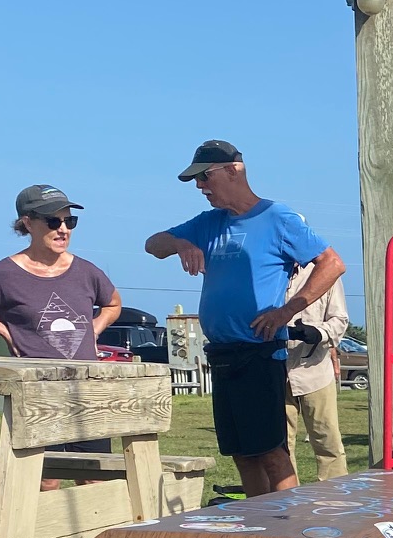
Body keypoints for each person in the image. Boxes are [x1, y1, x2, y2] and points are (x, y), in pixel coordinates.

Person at [144, 141, 344, 497]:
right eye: (196, 180)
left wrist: (287, 311)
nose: (200, 187)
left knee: (271, 451)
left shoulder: (278, 217)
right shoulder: (209, 223)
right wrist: (181, 244)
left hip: (259, 352)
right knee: (241, 452)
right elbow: (152, 244)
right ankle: (259, 523)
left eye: (205, 177)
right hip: (222, 354)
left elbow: (332, 263)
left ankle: (287, 524)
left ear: (233, 170)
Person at [0, 185, 123, 489]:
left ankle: (94, 537)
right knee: (43, 480)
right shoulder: (5, 274)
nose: (63, 230)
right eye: (53, 222)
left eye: (70, 222)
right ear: (27, 223)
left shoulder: (86, 271)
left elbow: (113, 303)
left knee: (95, 477)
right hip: (36, 393)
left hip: (88, 390)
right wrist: (2, 329)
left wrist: (94, 328)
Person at [282, 261, 351, 483]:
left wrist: (318, 332)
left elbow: (340, 320)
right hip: (275, 370)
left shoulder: (326, 272)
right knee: (279, 445)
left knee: (327, 439)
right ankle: (284, 504)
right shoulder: (268, 269)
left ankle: (334, 505)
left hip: (315, 371)